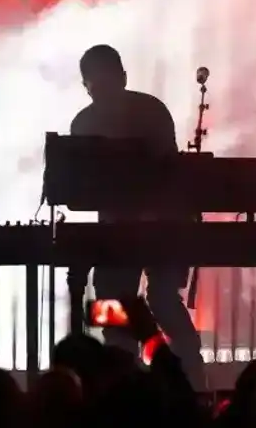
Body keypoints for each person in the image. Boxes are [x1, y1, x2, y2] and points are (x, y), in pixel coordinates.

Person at [70, 44, 204, 381]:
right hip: (150, 227)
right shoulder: (150, 110)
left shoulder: (86, 122)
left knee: (128, 303)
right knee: (152, 299)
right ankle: (184, 373)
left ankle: (130, 374)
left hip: (143, 227)